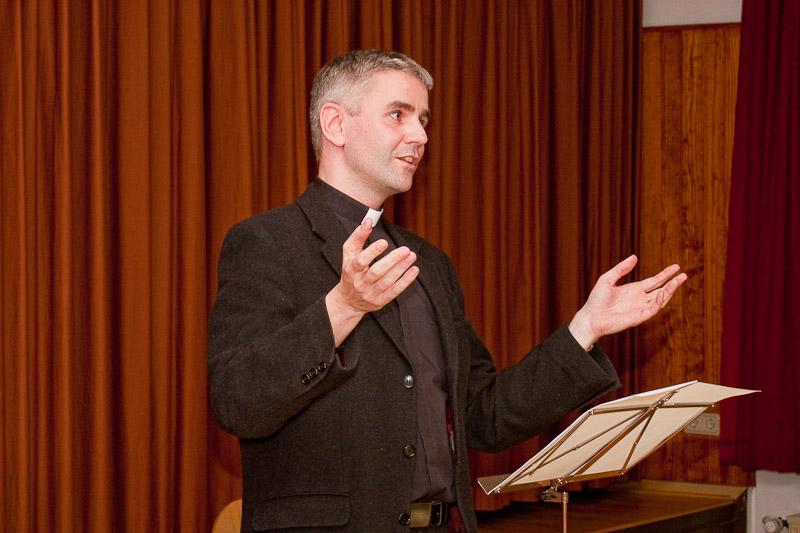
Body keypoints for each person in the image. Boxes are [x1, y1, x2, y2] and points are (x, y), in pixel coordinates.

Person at [208, 49, 687, 533]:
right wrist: (343, 307)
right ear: (335, 125)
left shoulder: (430, 264)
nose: (420, 136)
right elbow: (238, 402)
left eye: (423, 120)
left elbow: (483, 415)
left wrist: (585, 328)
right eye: (398, 114)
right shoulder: (267, 243)